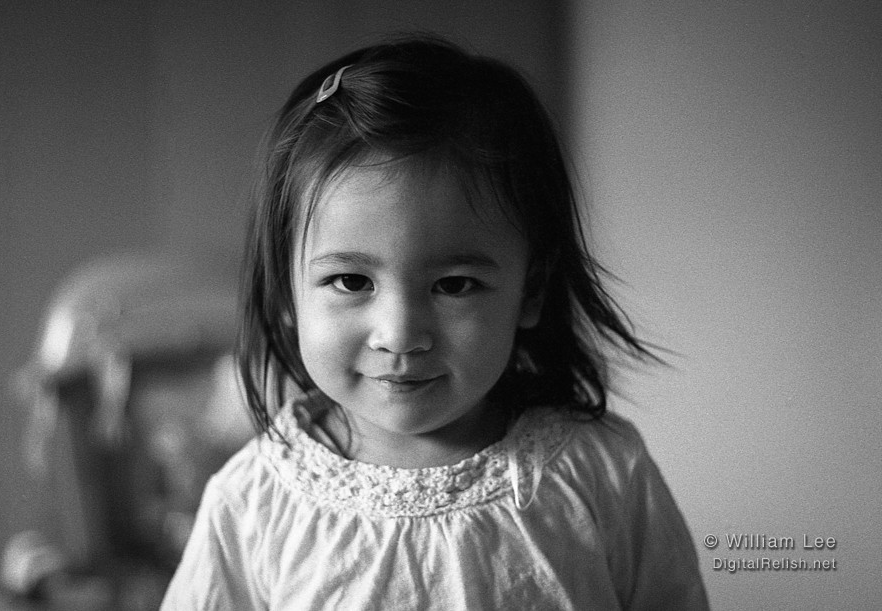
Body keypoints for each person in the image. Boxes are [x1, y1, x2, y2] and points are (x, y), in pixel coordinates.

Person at [162, 35, 709, 610]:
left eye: (453, 285)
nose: (400, 335)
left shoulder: (599, 472)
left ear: (531, 290)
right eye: (351, 282)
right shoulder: (251, 505)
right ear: (286, 295)